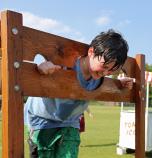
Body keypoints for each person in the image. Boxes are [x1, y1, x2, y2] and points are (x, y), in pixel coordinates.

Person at [24, 29, 133, 158]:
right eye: (104, 67)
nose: (104, 73)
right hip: (41, 121)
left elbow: (106, 81)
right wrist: (41, 68)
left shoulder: (100, 78)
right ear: (91, 52)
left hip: (70, 123)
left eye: (110, 71)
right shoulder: (63, 62)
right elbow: (38, 70)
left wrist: (117, 83)